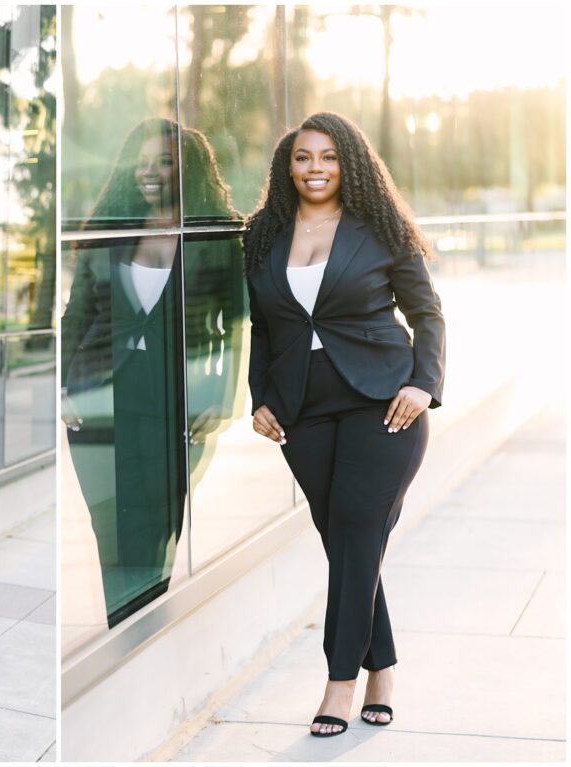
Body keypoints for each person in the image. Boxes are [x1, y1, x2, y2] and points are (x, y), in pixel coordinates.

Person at [244, 112, 445, 737]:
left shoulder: (379, 229)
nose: (315, 169)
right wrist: (259, 397)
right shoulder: (263, 234)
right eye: (303, 158)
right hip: (301, 413)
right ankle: (383, 666)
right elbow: (262, 327)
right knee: (348, 544)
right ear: (287, 166)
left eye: (328, 157)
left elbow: (427, 313)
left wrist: (424, 383)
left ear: (348, 162)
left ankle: (340, 682)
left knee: (356, 536)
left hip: (384, 405)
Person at [61, 117, 244, 626]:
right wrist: (62, 386)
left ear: (186, 168)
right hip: (98, 394)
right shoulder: (110, 231)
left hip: (171, 397)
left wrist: (221, 398)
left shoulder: (212, 236)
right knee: (111, 525)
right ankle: (123, 630)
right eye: (141, 164)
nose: (150, 173)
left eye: (163, 162)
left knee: (160, 523)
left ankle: (147, 621)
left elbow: (236, 323)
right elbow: (76, 315)